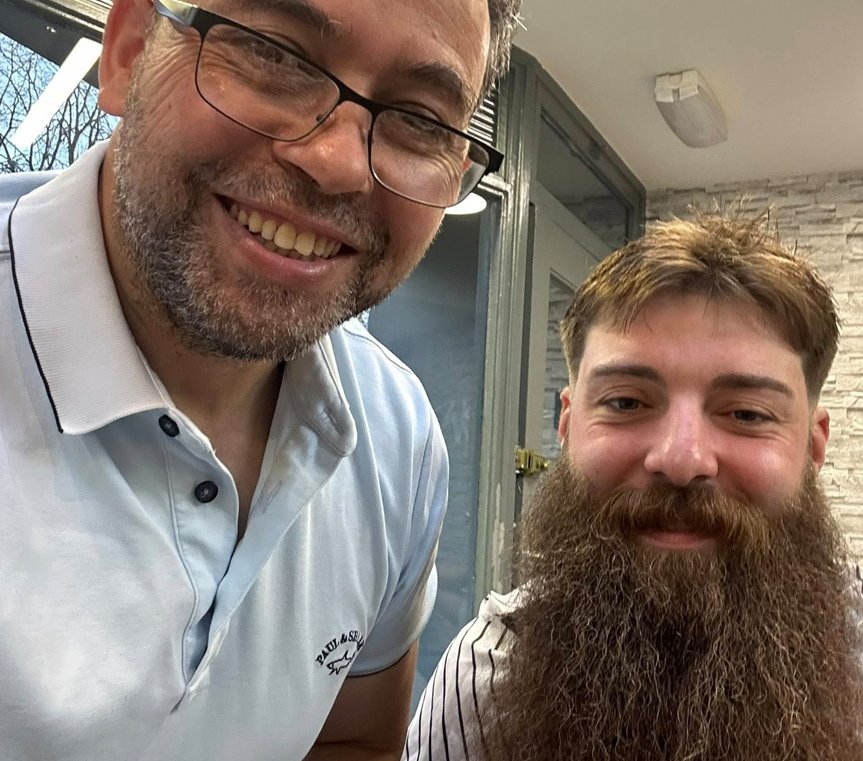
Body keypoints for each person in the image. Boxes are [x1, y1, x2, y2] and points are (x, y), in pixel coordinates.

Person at [0, 0, 520, 757]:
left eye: (419, 120)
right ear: (129, 49)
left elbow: (352, 741)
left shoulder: (399, 442)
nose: (338, 163)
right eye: (276, 54)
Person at [404, 213, 863, 761]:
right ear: (567, 426)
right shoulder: (483, 680)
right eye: (626, 402)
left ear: (813, 448)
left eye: (747, 414)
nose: (681, 460)